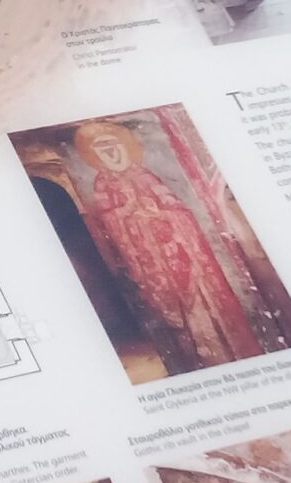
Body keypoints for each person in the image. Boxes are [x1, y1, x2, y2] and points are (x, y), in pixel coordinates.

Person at [72, 119, 260, 366]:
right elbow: (111, 220)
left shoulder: (144, 175)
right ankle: (198, 359)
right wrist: (132, 214)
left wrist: (160, 213)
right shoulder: (103, 184)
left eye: (113, 145)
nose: (110, 153)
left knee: (204, 301)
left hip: (180, 252)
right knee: (177, 315)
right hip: (151, 261)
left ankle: (230, 350)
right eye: (102, 149)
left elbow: (178, 210)